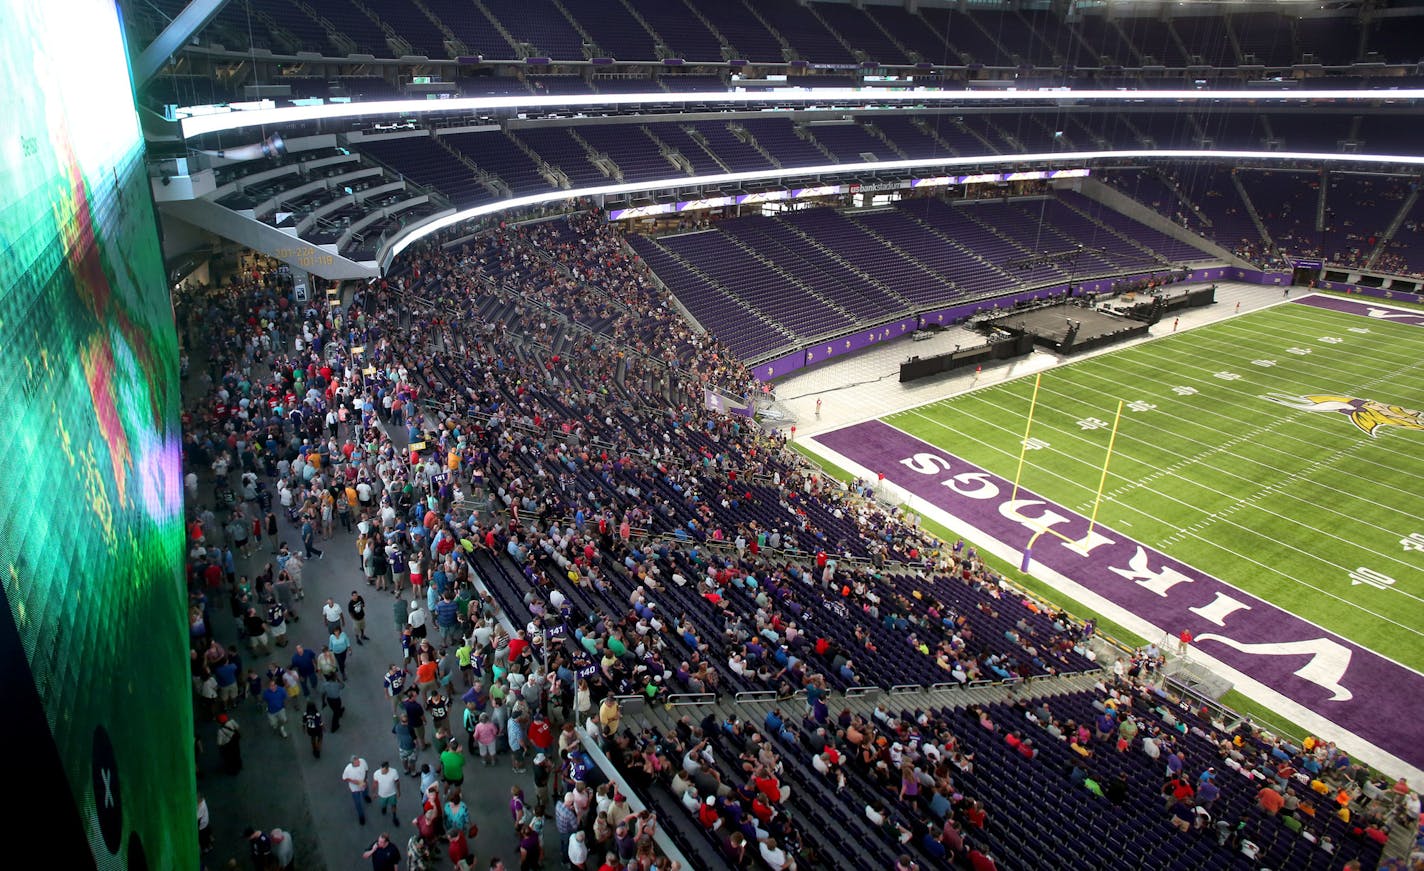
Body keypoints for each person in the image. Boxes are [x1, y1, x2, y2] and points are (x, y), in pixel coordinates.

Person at [344, 755, 373, 825]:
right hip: (355, 788)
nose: (359, 763)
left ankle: (366, 797)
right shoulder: (348, 769)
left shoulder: (362, 761)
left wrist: (365, 779)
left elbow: (366, 770)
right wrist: (353, 782)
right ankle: (361, 816)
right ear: (352, 764)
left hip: (363, 783)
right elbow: (345, 778)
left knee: (366, 790)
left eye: (358, 761)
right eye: (357, 762)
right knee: (358, 802)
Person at [374, 760, 402, 826]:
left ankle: (394, 817)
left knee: (393, 805)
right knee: (383, 805)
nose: (381, 771)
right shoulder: (376, 773)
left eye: (383, 770)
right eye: (381, 769)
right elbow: (375, 783)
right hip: (382, 794)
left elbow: (397, 782)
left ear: (387, 769)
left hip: (392, 793)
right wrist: (374, 792)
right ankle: (384, 808)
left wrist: (398, 791)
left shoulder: (394, 772)